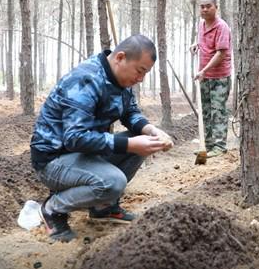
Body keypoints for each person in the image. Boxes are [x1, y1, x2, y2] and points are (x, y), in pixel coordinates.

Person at [30, 35, 174, 242]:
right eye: (140, 71)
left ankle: (103, 207)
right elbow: (74, 138)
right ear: (120, 58)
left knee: (142, 139)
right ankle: (53, 209)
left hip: (85, 155)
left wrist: (151, 131)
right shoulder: (86, 79)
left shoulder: (121, 80)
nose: (140, 78)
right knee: (113, 181)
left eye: (145, 73)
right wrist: (130, 144)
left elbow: (130, 112)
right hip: (54, 160)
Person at [189, 0, 232, 158]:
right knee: (205, 111)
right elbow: (203, 42)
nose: (205, 9)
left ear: (216, 7)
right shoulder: (201, 24)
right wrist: (195, 45)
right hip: (204, 76)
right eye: (202, 6)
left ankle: (220, 146)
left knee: (218, 111)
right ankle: (206, 145)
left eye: (208, 6)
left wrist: (204, 70)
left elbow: (220, 54)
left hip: (219, 78)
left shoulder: (222, 27)